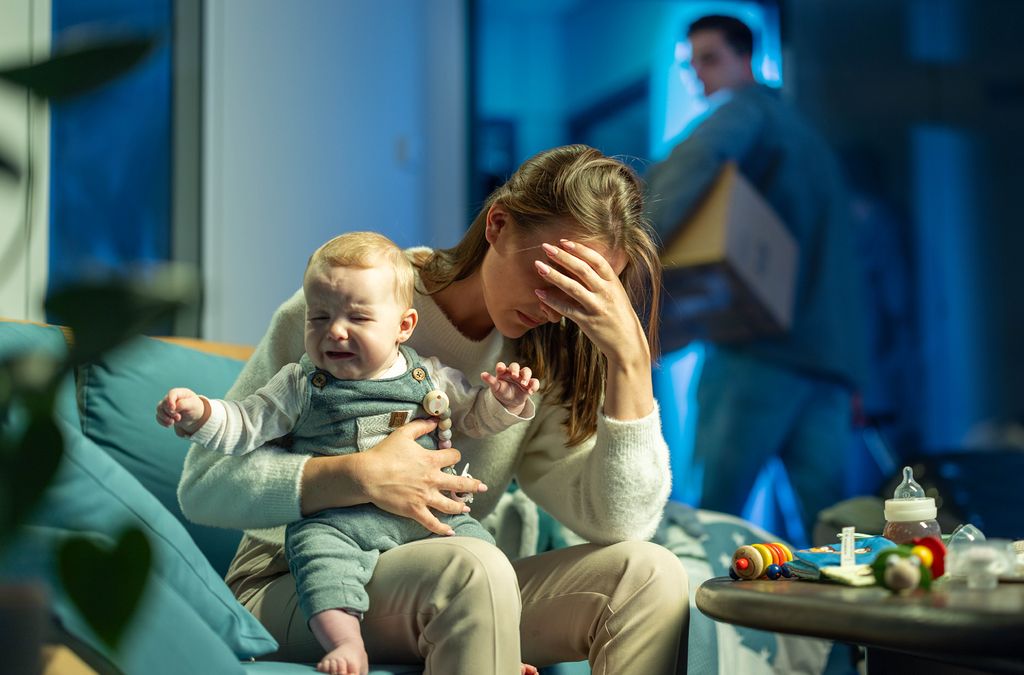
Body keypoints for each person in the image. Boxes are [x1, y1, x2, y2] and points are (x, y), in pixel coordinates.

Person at [177, 145, 689, 674]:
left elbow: (619, 524)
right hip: (303, 582)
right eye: (552, 274)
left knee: (650, 576)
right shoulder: (350, 305)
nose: (554, 304)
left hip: (455, 572)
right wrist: (356, 475)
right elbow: (204, 483)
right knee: (473, 569)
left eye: (580, 290)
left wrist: (628, 360)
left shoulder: (544, 356)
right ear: (497, 225)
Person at [157, 232, 541, 675]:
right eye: (318, 317)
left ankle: (497, 643)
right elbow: (244, 423)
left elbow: (474, 419)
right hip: (340, 522)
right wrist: (199, 414)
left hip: (428, 520)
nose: (334, 331)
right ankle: (345, 642)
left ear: (404, 327)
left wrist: (506, 403)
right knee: (317, 558)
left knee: (482, 548)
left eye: (358, 318)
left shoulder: (429, 376)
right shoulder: (300, 384)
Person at [645, 15, 867, 542]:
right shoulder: (805, 136)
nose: (698, 73)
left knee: (713, 524)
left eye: (710, 58)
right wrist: (855, 374)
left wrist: (630, 244)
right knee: (833, 533)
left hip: (759, 357)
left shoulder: (745, 113)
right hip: (827, 364)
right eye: (691, 62)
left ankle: (714, 626)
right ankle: (831, 628)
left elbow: (695, 159)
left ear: (746, 60)